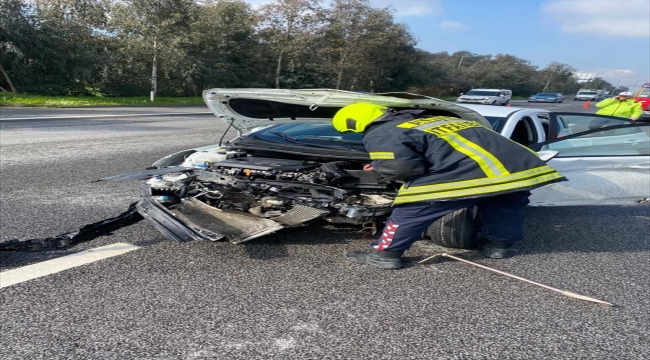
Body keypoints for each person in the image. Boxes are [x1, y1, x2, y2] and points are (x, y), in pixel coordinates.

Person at [331, 103, 567, 270]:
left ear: (354, 123)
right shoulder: (439, 121)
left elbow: (403, 171)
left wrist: (383, 169)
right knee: (504, 210)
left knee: (409, 212)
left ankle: (385, 255)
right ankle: (498, 247)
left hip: (467, 176)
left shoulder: (383, 132)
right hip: (516, 173)